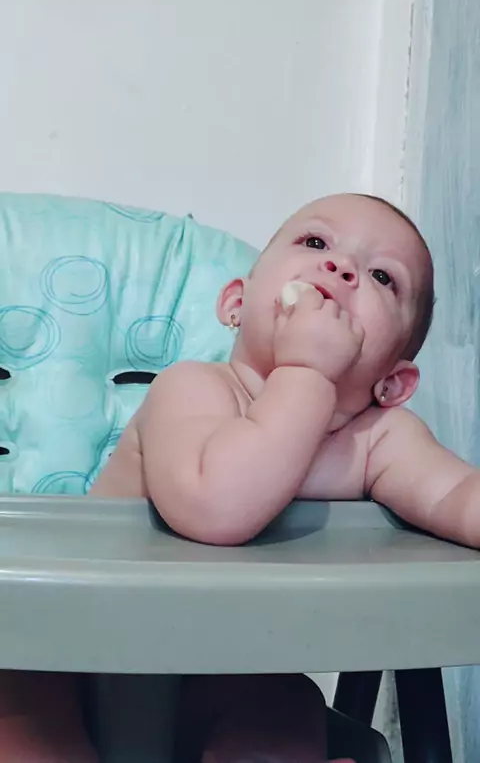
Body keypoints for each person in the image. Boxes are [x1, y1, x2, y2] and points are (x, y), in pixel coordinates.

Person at [0, 192, 473, 761]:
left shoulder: (378, 441)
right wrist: (307, 373)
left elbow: (456, 494)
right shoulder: (193, 388)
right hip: (65, 658)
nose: (341, 267)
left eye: (381, 277)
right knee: (21, 722)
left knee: (284, 714)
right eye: (315, 242)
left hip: (227, 668)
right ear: (235, 305)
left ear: (393, 384)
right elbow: (217, 508)